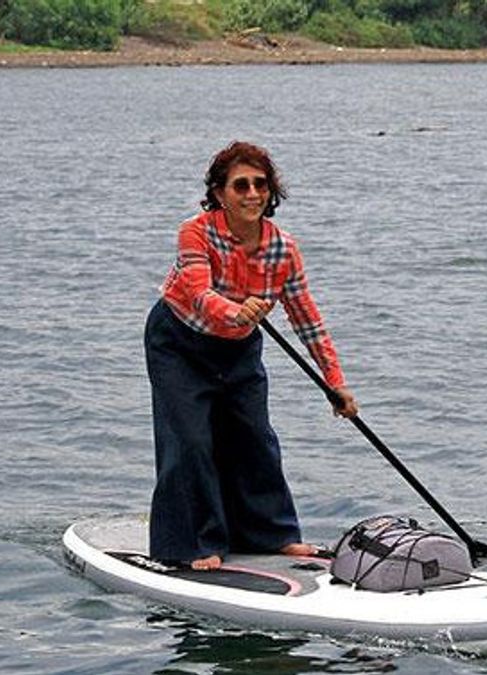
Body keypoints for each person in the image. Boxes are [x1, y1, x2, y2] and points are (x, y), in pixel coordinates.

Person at [144, 141, 358, 571]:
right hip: (179, 343)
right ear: (220, 194)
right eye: (240, 185)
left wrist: (335, 383)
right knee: (190, 441)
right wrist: (237, 310)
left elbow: (306, 320)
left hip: (238, 348)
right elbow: (199, 293)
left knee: (255, 438)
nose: (252, 194)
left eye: (261, 184)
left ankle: (271, 533)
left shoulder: (283, 248)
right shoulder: (196, 232)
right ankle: (192, 543)